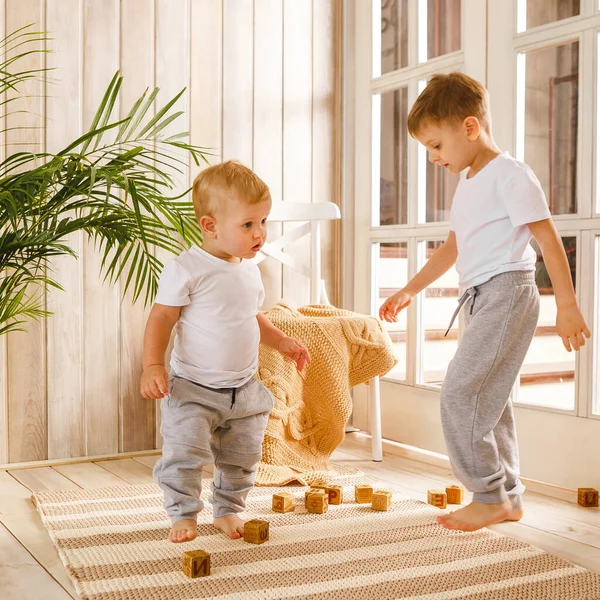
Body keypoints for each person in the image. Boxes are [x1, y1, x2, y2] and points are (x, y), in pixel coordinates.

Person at [379, 72, 590, 532]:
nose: (433, 158)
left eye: (436, 145)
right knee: (489, 399)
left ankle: (488, 492)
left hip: (507, 294)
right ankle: (507, 495)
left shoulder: (511, 175)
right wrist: (409, 289)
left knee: (460, 392)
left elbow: (548, 239)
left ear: (470, 128)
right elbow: (455, 247)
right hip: (480, 298)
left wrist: (567, 304)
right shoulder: (470, 181)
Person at [140, 160, 311, 543]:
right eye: (248, 224)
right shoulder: (188, 268)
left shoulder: (250, 271)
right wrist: (152, 364)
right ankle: (183, 514)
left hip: (243, 389)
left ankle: (228, 509)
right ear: (210, 225)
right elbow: (162, 318)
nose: (260, 233)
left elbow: (251, 317)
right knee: (185, 453)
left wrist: (281, 341)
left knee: (243, 456)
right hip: (192, 387)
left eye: (264, 222)